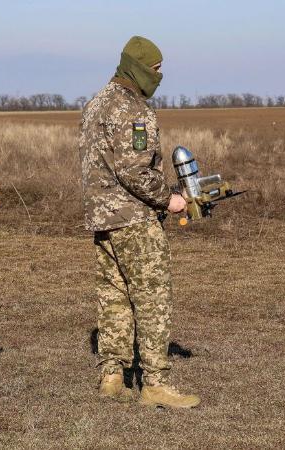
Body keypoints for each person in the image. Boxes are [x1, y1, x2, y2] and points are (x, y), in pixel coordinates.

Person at [79, 36, 200, 408]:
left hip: (102, 219)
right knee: (152, 298)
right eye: (156, 70)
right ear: (139, 67)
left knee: (113, 297)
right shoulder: (134, 110)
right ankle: (156, 383)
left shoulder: (95, 103)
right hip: (133, 218)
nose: (160, 77)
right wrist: (172, 199)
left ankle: (112, 375)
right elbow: (135, 172)